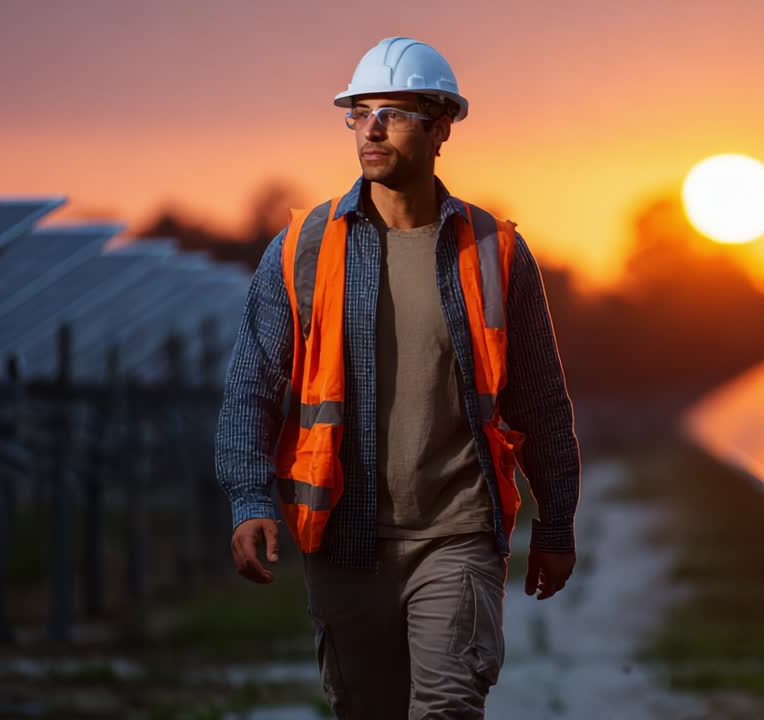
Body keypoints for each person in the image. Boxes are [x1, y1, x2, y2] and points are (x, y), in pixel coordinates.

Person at [214, 36, 581, 719]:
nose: (373, 128)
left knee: (445, 709)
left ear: (442, 127)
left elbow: (542, 399)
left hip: (457, 534)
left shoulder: (494, 252)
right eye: (360, 112)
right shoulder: (301, 250)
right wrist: (249, 498)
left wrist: (556, 522)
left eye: (396, 111)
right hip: (343, 540)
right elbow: (252, 389)